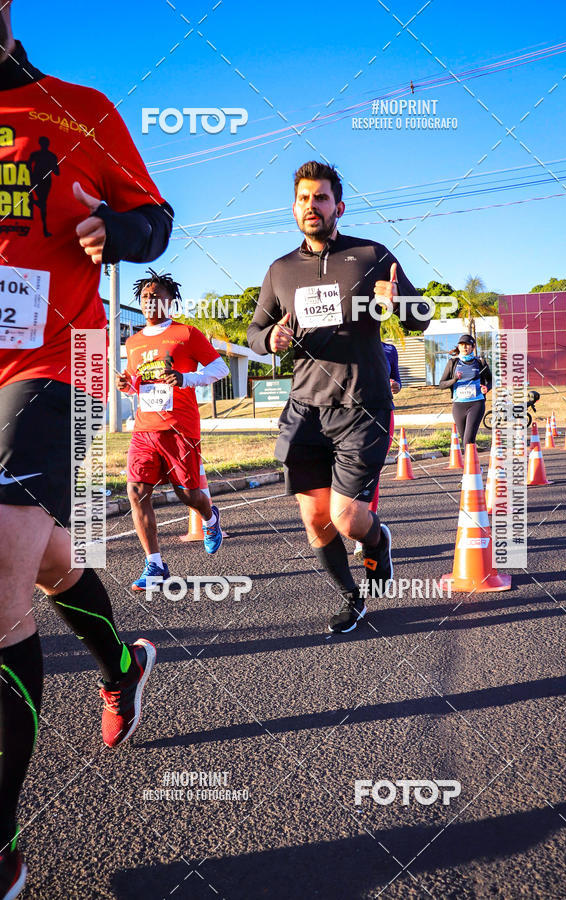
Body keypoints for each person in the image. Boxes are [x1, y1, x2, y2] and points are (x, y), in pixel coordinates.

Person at [0, 7, 174, 896]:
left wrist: (120, 229)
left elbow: (155, 217)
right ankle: (121, 665)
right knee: (47, 566)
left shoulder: (78, 110)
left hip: (56, 357)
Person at [248, 160, 429, 634]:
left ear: (338, 206)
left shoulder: (372, 255)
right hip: (306, 409)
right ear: (294, 208)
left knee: (347, 519)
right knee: (315, 520)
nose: (313, 206)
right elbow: (255, 331)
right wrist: (271, 342)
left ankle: (376, 543)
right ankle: (353, 597)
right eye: (305, 198)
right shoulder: (280, 269)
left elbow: (421, 318)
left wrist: (403, 304)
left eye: (321, 197)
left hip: (363, 406)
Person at [118, 270, 229, 589]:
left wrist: (185, 379)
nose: (149, 301)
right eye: (144, 297)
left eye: (156, 296)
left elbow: (219, 369)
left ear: (171, 302)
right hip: (144, 430)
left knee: (189, 494)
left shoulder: (187, 334)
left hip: (181, 428)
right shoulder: (134, 341)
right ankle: (154, 565)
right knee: (137, 492)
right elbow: (136, 382)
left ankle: (210, 519)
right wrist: (127, 385)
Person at [354, 341, 401, 556]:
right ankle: (347, 523)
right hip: (350, 416)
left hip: (382, 413)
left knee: (371, 472)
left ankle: (364, 533)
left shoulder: (389, 350)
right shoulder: (344, 343)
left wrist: (395, 386)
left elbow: (397, 383)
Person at [438, 334, 492, 446]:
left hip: (476, 403)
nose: (464, 347)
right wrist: (455, 379)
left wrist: (487, 388)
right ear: (458, 347)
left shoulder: (480, 362)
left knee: (468, 439)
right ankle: (472, 462)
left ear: (473, 347)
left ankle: (471, 463)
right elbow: (442, 384)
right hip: (458, 405)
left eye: (467, 345)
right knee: (465, 441)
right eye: (462, 345)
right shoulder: (453, 363)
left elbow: (491, 380)